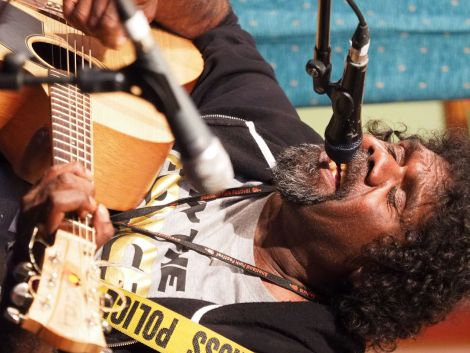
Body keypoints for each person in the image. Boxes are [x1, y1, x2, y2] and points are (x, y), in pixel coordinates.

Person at [1, 0, 469, 352]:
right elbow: (216, 23)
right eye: (398, 149)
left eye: (397, 197)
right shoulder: (274, 142)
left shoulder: (279, 343)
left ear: (384, 269)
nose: (375, 152)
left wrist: (29, 252)